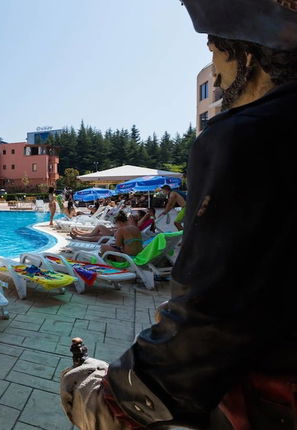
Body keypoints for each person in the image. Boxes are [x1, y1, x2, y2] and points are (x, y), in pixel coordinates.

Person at [61, 3, 297, 429]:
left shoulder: (249, 134)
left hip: (268, 399)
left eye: (215, 55)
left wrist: (122, 389)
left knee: (80, 385)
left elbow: (212, 316)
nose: (216, 74)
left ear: (248, 55)